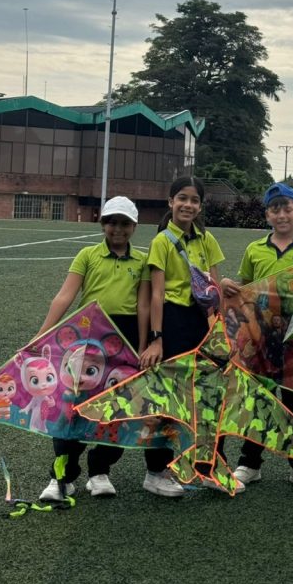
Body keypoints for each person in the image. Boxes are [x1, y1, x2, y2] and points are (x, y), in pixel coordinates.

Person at [221, 182, 293, 489]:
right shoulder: (254, 249)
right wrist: (229, 286)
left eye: (287, 208)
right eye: (275, 209)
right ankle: (249, 463)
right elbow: (246, 287)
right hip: (261, 340)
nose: (282, 214)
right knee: (258, 400)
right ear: (267, 215)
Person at [37, 196, 151, 502]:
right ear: (102, 224)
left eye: (125, 223)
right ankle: (62, 477)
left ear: (134, 226)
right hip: (89, 341)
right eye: (112, 222)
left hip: (125, 342)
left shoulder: (142, 261)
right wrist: (42, 334)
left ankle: (100, 470)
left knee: (119, 410)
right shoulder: (87, 255)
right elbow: (64, 296)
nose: (118, 229)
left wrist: (141, 347)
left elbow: (143, 305)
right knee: (74, 410)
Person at [137, 175, 226, 498]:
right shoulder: (162, 241)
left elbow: (215, 289)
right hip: (172, 321)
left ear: (200, 206)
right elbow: (157, 294)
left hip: (201, 323)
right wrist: (156, 338)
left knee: (208, 397)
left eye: (194, 200)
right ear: (171, 202)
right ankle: (156, 471)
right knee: (166, 398)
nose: (188, 205)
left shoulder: (207, 239)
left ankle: (208, 468)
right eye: (182, 198)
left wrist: (218, 330)